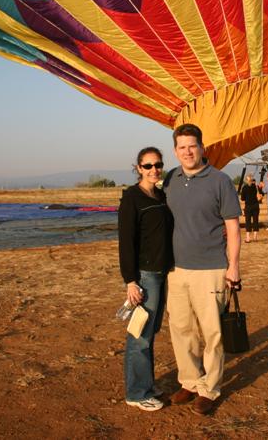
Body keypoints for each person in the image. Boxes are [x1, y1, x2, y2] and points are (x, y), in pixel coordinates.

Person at [163, 124, 242, 415]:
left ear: (202, 147)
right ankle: (189, 381)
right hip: (175, 269)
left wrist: (233, 266)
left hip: (211, 268)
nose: (187, 151)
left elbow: (233, 228)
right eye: (182, 147)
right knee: (181, 329)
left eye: (192, 145)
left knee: (212, 333)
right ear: (175, 151)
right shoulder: (170, 179)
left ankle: (210, 388)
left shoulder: (220, 181)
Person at [118, 147, 174, 411]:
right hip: (145, 274)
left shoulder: (161, 195)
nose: (154, 170)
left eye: (158, 165)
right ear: (138, 168)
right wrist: (130, 280)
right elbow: (126, 242)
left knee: (150, 333)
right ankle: (137, 393)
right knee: (139, 335)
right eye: (148, 165)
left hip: (163, 272)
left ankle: (146, 384)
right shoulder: (132, 197)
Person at [240, 174, 261, 242]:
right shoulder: (255, 187)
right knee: (255, 220)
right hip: (255, 205)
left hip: (248, 206)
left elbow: (242, 198)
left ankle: (248, 238)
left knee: (248, 221)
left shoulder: (244, 187)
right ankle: (255, 237)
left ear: (246, 180)